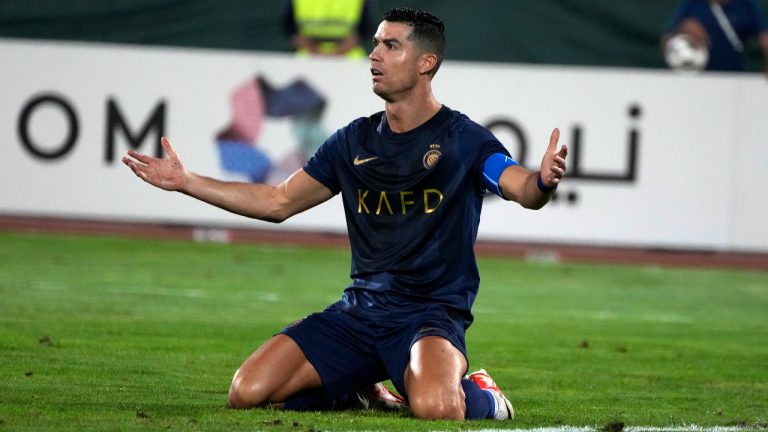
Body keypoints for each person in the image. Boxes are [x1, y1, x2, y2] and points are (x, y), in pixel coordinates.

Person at [123, 7, 567, 421]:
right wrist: (187, 181)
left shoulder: (463, 139)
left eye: (391, 45)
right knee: (248, 392)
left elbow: (521, 188)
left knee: (436, 407)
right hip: (359, 312)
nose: (374, 54)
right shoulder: (352, 141)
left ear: (425, 63)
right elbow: (278, 202)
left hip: (429, 316)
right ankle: (359, 386)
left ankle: (484, 394)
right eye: (375, 43)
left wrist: (542, 181)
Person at [662, 0, 768, 74]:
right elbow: (665, 43)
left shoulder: (745, 4)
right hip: (698, 77)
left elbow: (764, 36)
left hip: (734, 77)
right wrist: (683, 28)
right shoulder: (693, 4)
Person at [281, 0, 375, 59]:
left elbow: (364, 30)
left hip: (348, 55)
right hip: (308, 55)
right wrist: (317, 53)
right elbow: (290, 29)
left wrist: (333, 54)